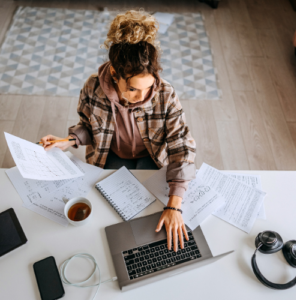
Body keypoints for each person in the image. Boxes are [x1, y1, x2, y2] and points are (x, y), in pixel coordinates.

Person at [40, 10, 196, 252]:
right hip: (108, 158)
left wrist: (174, 205)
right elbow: (88, 126)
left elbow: (181, 144)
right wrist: (70, 140)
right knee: (106, 218)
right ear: (114, 73)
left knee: (151, 216)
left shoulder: (165, 92)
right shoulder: (92, 87)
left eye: (148, 87)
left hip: (151, 159)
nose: (143, 97)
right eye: (133, 89)